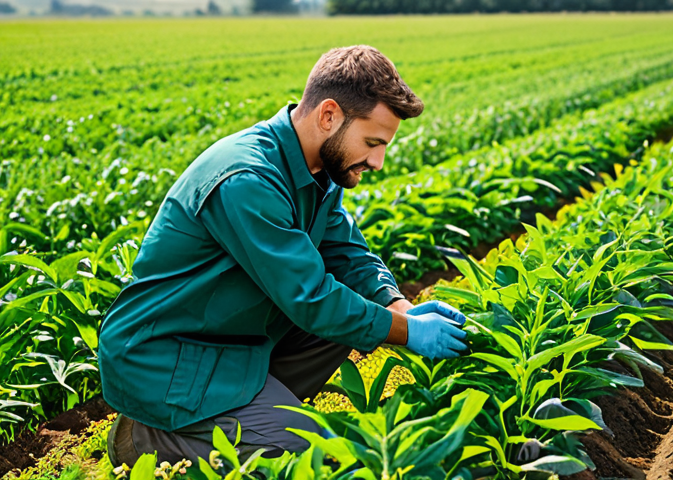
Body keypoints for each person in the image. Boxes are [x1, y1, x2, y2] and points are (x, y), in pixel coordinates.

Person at [98, 45, 468, 468]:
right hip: (166, 358)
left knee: (353, 315)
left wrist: (401, 309)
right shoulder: (247, 178)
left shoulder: (316, 168)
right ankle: (148, 437)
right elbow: (310, 298)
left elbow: (348, 255)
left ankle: (248, 410)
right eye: (372, 142)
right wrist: (405, 332)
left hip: (230, 340)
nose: (378, 161)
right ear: (328, 116)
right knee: (308, 456)